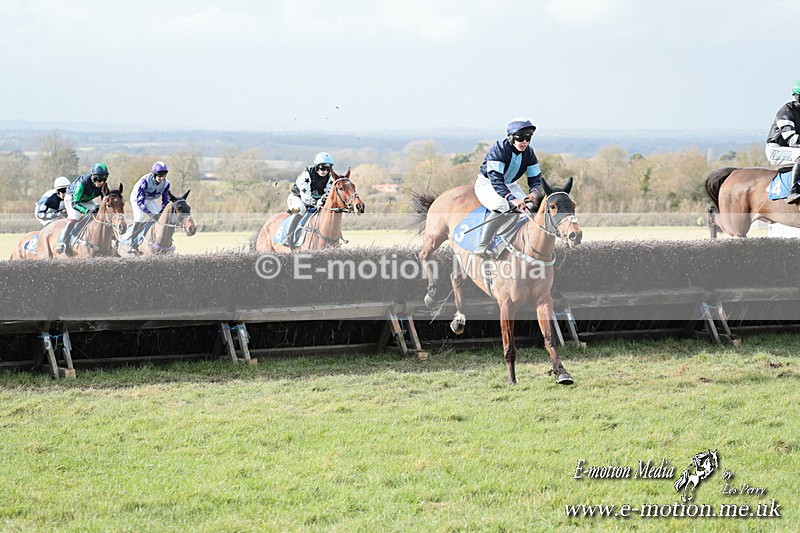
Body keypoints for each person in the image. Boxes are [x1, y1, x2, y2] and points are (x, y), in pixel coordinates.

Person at [473, 117, 544, 258]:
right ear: (511, 137)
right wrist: (512, 198)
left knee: (530, 208)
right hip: (488, 183)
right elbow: (496, 180)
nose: (524, 142)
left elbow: (535, 177)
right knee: (502, 205)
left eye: (528, 138)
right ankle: (482, 245)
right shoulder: (498, 149)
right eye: (520, 138)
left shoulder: (529, 153)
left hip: (510, 185)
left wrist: (534, 192)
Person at [282, 152, 335, 246]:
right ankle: (288, 237)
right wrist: (316, 202)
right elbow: (305, 197)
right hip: (297, 198)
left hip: (315, 201)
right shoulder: (306, 175)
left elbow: (328, 194)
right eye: (322, 168)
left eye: (328, 169)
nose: (325, 171)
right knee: (301, 210)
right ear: (317, 166)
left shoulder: (330, 177)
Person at [56, 163, 109, 254]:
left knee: (98, 214)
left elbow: (104, 202)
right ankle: (62, 241)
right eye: (98, 179)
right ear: (92, 177)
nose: (101, 182)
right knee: (75, 216)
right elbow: (75, 203)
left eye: (104, 179)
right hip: (72, 199)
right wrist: (87, 211)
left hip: (86, 199)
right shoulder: (81, 183)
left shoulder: (103, 185)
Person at [766, 79, 800, 204]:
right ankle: (793, 191)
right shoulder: (786, 112)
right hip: (776, 150)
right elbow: (792, 140)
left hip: (791, 150)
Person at [127, 161, 171, 253]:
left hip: (150, 199)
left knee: (159, 218)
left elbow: (165, 201)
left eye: (163, 175)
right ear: (154, 174)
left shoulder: (166, 184)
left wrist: (160, 213)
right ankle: (132, 243)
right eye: (159, 175)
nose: (162, 178)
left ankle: (159, 241)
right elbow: (140, 202)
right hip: (137, 199)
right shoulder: (145, 181)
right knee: (140, 217)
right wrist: (151, 214)